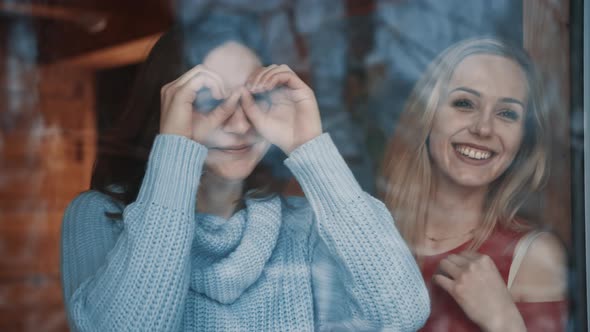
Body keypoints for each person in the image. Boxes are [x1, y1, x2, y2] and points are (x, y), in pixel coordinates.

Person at [60, 12, 429, 331]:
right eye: (209, 101)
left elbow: (401, 313)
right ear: (167, 106)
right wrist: (174, 151)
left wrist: (310, 147)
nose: (239, 125)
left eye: (257, 99)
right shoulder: (100, 217)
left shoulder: (304, 227)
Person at [379, 38, 568, 331]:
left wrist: (502, 320)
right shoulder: (371, 234)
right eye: (464, 103)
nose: (483, 128)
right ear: (427, 117)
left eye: (506, 113)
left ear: (523, 138)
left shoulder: (532, 255)